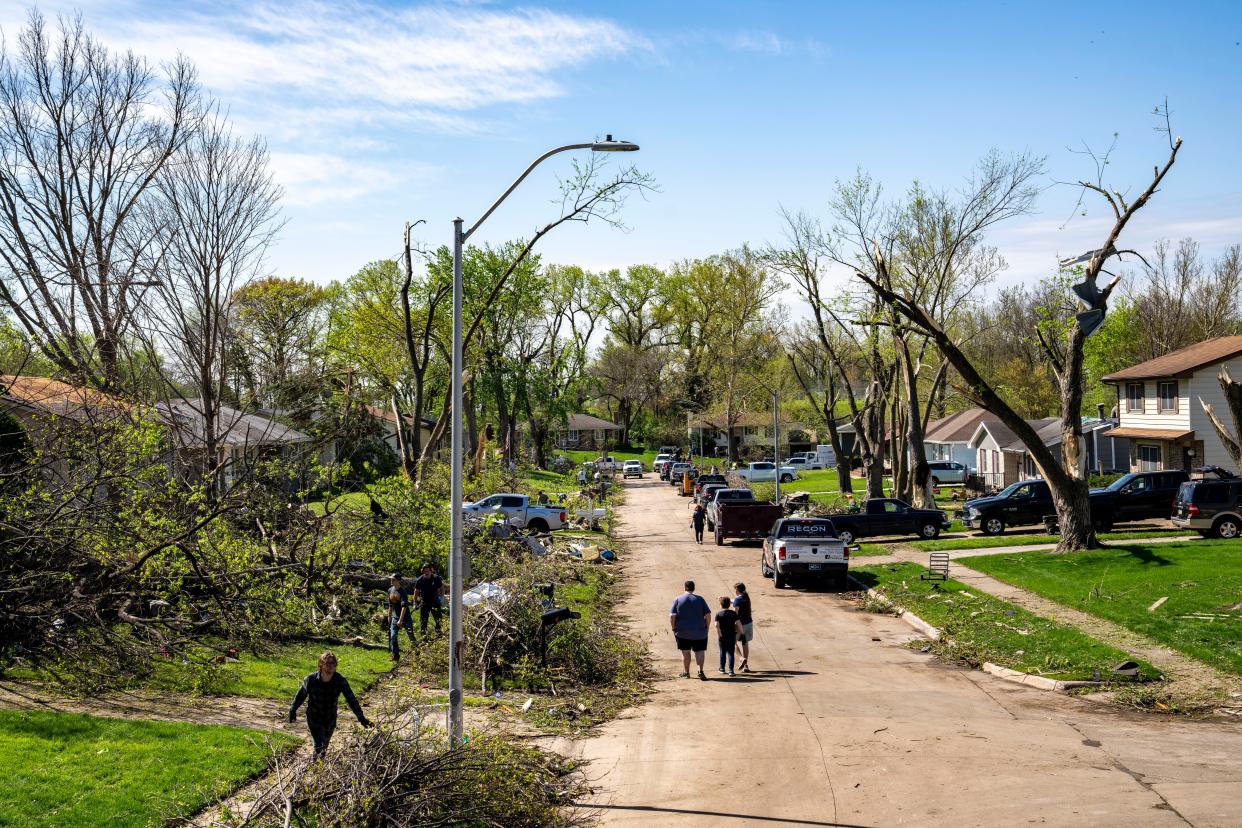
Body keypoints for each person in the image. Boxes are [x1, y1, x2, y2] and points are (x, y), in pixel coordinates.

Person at [288, 650, 371, 759]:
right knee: (319, 745)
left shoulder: (340, 680)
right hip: (314, 717)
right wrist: (293, 709)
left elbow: (351, 699)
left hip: (330, 719)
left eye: (333, 663)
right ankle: (316, 767)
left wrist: (361, 717)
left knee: (323, 750)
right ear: (321, 665)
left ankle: (317, 769)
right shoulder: (310, 680)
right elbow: (301, 695)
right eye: (328, 663)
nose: (331, 666)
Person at [669, 580, 712, 680]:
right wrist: (707, 626)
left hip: (682, 632)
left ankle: (686, 672)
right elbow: (708, 615)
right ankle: (700, 671)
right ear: (694, 588)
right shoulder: (700, 599)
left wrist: (673, 627)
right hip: (700, 632)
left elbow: (672, 616)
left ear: (684, 588)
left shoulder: (678, 599)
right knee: (700, 651)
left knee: (685, 652)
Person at [387, 573, 415, 661]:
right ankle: (396, 655)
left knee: (411, 636)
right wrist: (389, 616)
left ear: (398, 580)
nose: (391, 581)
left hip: (405, 617)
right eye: (391, 579)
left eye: (393, 579)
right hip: (395, 617)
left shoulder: (403, 592)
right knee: (393, 636)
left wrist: (400, 620)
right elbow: (390, 605)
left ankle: (418, 653)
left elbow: (404, 607)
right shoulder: (390, 590)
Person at [413, 563, 445, 637]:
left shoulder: (436, 578)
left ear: (431, 571)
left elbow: (442, 587)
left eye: (428, 571)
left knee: (438, 620)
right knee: (423, 621)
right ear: (423, 571)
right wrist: (414, 603)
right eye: (425, 571)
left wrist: (442, 597)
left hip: (435, 602)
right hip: (424, 602)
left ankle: (439, 634)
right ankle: (424, 636)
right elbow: (416, 591)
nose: (426, 572)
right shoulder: (420, 580)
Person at [715, 596, 742, 676]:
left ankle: (722, 668)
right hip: (731, 635)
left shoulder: (718, 614)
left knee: (722, 652)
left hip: (722, 636)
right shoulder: (733, 613)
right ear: (729, 605)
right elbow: (738, 624)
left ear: (721, 605)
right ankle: (731, 670)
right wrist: (742, 633)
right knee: (731, 652)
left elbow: (716, 625)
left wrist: (719, 634)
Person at [732, 583, 753, 673]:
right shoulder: (746, 597)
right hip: (748, 623)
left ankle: (741, 658)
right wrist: (729, 600)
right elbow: (736, 601)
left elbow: (735, 614)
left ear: (737, 591)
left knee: (733, 642)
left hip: (739, 624)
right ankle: (746, 665)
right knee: (745, 643)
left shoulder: (737, 600)